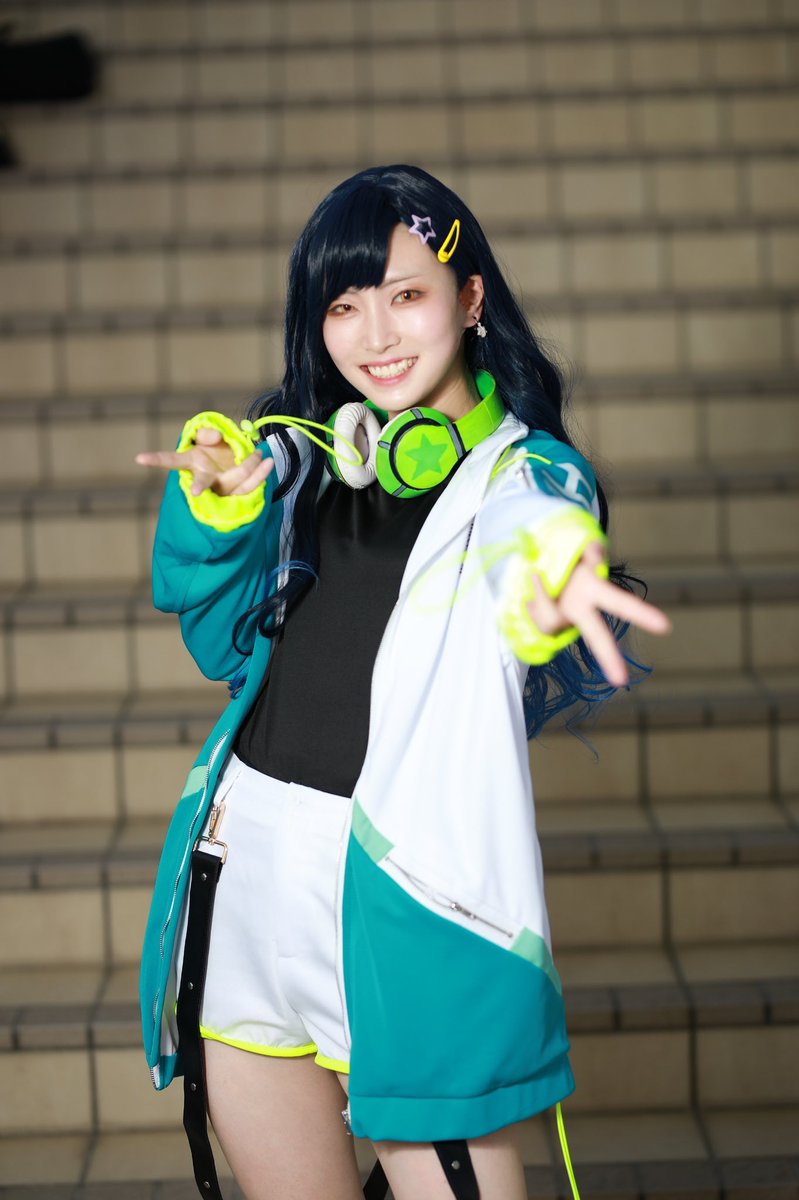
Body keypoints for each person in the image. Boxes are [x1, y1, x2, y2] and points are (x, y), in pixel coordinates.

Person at [137, 164, 670, 1200]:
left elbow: (535, 530)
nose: (373, 335)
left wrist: (555, 569)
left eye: (405, 294)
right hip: (243, 880)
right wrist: (219, 513)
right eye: (342, 305)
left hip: (400, 897)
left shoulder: (524, 474)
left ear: (469, 300)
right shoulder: (309, 464)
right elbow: (219, 643)